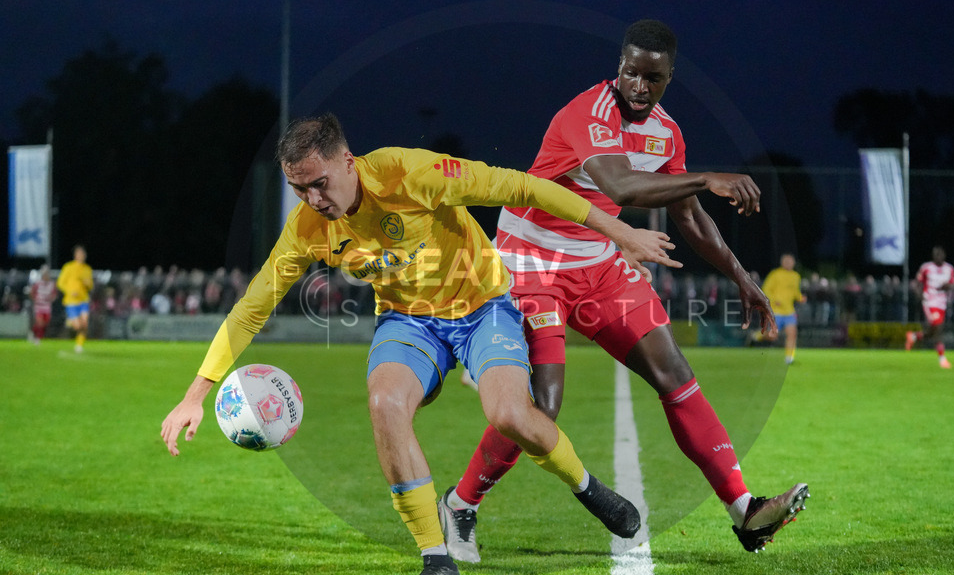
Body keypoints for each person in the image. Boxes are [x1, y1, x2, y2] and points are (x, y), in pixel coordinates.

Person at [160, 113, 682, 575]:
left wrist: (618, 231)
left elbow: (522, 188)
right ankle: (434, 555)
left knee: (510, 415)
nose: (314, 201)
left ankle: (587, 487)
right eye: (299, 190)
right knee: (384, 403)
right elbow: (254, 304)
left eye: (319, 184)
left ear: (348, 161)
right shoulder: (307, 228)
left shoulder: (410, 174)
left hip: (482, 306)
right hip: (408, 322)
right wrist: (195, 394)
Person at [440, 19, 808, 564]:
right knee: (544, 404)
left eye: (651, 77)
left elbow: (690, 217)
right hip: (531, 263)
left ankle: (745, 511)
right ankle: (460, 504)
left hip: (601, 262)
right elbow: (621, 186)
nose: (637, 84)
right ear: (619, 67)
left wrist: (740, 276)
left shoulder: (668, 134)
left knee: (675, 372)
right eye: (630, 72)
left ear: (668, 78)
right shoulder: (588, 113)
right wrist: (707, 177)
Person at [906, 246, 954, 368]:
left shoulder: (949, 269)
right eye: (936, 255)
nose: (938, 257)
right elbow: (916, 283)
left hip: (942, 303)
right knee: (938, 328)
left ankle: (913, 336)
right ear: (933, 256)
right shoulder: (926, 268)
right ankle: (942, 359)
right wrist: (921, 296)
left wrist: (947, 286)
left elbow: (953, 284)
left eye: (940, 254)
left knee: (934, 331)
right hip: (930, 301)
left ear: (944, 255)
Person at [761, 253, 805, 364]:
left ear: (794, 263)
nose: (788, 263)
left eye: (790, 261)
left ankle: (789, 358)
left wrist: (800, 298)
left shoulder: (796, 276)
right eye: (786, 261)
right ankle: (757, 336)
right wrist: (774, 299)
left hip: (789, 311)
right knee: (772, 336)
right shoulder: (775, 274)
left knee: (792, 334)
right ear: (782, 262)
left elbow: (795, 292)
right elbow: (766, 289)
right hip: (776, 311)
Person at [57, 245, 93, 353]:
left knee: (85, 323)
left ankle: (79, 345)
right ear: (75, 255)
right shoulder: (68, 267)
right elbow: (60, 283)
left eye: (83, 254)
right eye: (79, 254)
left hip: (83, 300)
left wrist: (88, 284)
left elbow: (91, 285)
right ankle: (70, 321)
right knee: (78, 326)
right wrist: (70, 291)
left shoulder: (87, 269)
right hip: (71, 301)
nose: (81, 256)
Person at [29, 265, 58, 344]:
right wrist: (36, 299)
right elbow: (32, 292)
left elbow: (54, 294)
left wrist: (52, 298)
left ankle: (32, 332)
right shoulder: (38, 283)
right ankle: (38, 339)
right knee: (40, 322)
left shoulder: (52, 284)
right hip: (39, 306)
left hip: (47, 306)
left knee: (45, 323)